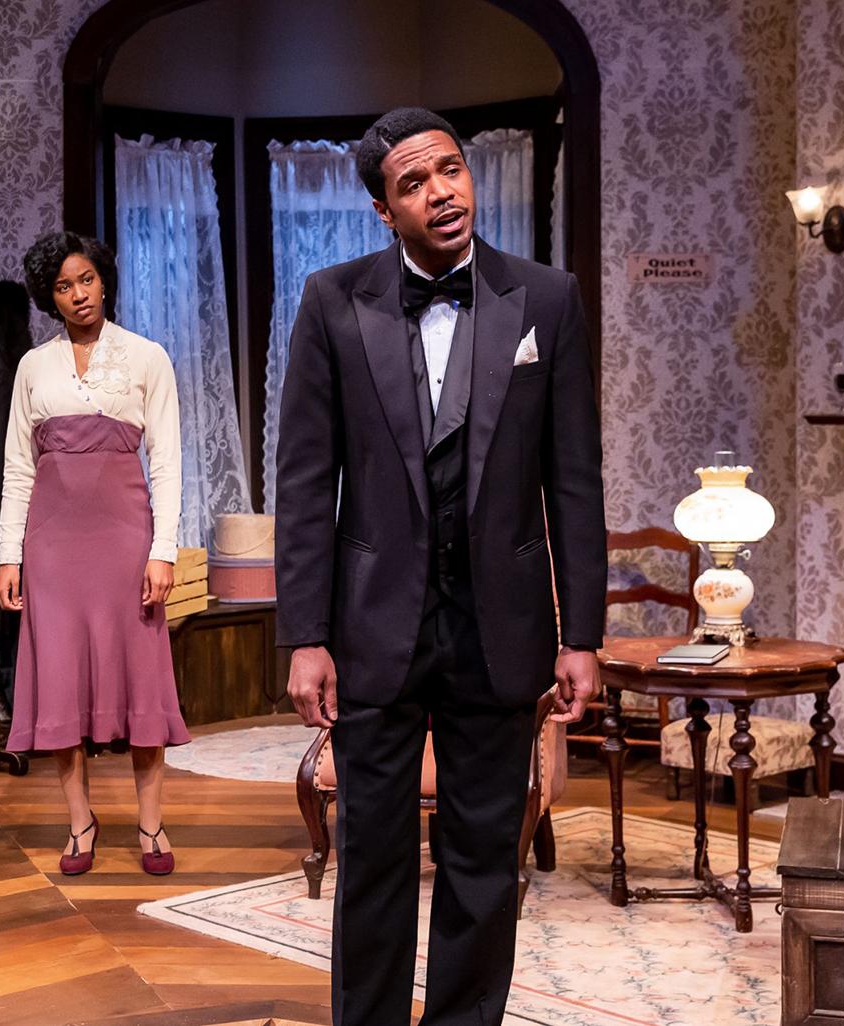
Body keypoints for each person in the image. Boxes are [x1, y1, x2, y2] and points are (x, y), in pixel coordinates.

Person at [274, 108, 605, 1026]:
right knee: (371, 862)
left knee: (482, 858)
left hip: (500, 631)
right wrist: (305, 635)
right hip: (374, 626)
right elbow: (304, 483)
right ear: (385, 210)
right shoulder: (332, 300)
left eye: (450, 170)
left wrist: (582, 634)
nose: (441, 192)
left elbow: (574, 480)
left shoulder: (545, 298)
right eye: (414, 183)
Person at [0, 231, 189, 877]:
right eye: (62, 286)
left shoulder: (146, 357)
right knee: (59, 683)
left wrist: (163, 550)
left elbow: (167, 462)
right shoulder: (33, 366)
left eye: (86, 280)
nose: (78, 294)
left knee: (140, 680)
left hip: (124, 541)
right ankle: (79, 822)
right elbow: (17, 468)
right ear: (48, 297)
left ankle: (151, 822)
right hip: (51, 548)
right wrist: (8, 556)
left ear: (104, 280)